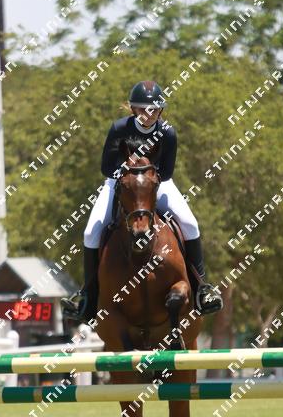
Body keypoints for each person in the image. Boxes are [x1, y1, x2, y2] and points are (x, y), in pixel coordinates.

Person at [62, 80, 223, 321]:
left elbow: (166, 172)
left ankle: (202, 290)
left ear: (161, 110)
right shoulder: (119, 128)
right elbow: (106, 166)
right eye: (143, 109)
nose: (149, 114)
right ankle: (88, 298)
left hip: (157, 183)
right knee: (90, 233)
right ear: (134, 109)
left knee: (190, 224)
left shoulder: (168, 132)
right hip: (120, 182)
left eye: (154, 109)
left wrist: (146, 177)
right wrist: (129, 175)